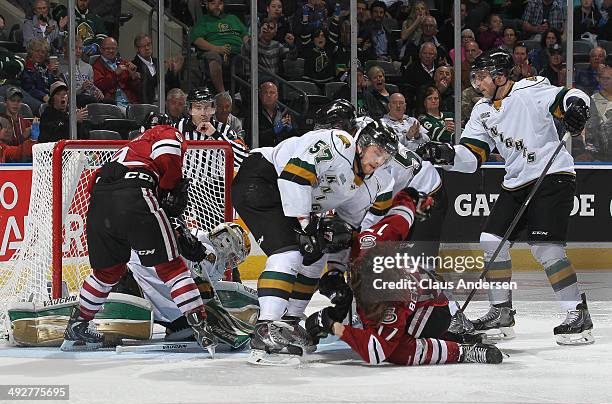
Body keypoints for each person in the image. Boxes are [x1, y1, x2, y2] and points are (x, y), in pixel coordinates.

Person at [416, 48, 594, 345]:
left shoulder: (531, 89)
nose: (478, 83)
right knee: (491, 241)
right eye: (475, 77)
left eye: (483, 76)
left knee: (546, 249)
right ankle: (501, 312)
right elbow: (472, 157)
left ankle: (577, 313)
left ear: (500, 76)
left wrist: (577, 107)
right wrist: (445, 153)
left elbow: (571, 96)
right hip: (516, 182)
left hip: (553, 176)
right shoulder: (481, 111)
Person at [231, 100, 399, 365]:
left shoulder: (369, 186)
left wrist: (334, 272)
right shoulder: (338, 142)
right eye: (376, 152)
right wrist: (306, 226)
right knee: (287, 253)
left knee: (317, 252)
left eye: (385, 158)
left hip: (290, 198)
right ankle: (265, 329)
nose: (378, 161)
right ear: (362, 144)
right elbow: (293, 177)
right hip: (262, 179)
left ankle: (288, 322)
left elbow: (344, 234)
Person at [60, 124, 217, 355]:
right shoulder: (165, 132)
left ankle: (77, 327)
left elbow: (93, 185)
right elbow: (169, 157)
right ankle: (201, 327)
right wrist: (168, 187)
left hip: (98, 204)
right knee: (172, 268)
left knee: (107, 273)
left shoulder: (128, 148)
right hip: (135, 194)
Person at [305, 189, 504, 366]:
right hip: (414, 293)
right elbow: (401, 215)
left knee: (395, 351)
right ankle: (453, 337)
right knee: (371, 328)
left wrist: (334, 326)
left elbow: (376, 352)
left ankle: (461, 351)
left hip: (430, 310)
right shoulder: (371, 239)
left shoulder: (389, 294)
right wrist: (413, 199)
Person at [125, 221, 253, 347]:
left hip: (133, 277)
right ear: (225, 243)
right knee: (195, 318)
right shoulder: (207, 254)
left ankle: (175, 326)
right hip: (137, 286)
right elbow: (204, 295)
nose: (231, 263)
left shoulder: (195, 240)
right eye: (233, 257)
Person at [175, 87, 248, 170]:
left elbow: (243, 159)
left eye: (207, 107)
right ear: (190, 110)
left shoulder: (225, 130)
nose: (203, 113)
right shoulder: (177, 128)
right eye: (198, 108)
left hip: (215, 181)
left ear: (213, 109)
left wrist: (215, 134)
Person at [190, 0, 249, 93]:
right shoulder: (203, 20)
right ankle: (222, 93)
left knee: (251, 55)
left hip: (238, 52)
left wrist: (246, 46)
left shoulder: (233, 18)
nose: (217, 6)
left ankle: (242, 92)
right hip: (214, 51)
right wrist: (216, 48)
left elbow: (245, 35)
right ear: (207, 5)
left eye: (220, 3)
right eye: (213, 3)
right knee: (213, 56)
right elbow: (197, 40)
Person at [131, 34, 182, 105]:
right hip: (145, 105)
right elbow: (146, 86)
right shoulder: (133, 66)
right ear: (137, 49)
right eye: (143, 46)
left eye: (149, 44)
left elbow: (173, 88)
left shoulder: (158, 62)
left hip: (164, 104)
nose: (147, 48)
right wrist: (162, 71)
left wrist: (173, 72)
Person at [93, 37, 141, 109]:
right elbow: (100, 86)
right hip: (112, 103)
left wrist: (133, 76)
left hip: (130, 102)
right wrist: (115, 74)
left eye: (113, 48)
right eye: (107, 48)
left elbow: (136, 89)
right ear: (101, 50)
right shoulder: (96, 65)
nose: (111, 51)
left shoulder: (124, 62)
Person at [57, 36, 105, 107]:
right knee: (90, 101)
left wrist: (97, 92)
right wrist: (81, 89)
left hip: (88, 98)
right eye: (75, 48)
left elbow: (91, 87)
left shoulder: (88, 67)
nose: (78, 51)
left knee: (110, 102)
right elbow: (62, 94)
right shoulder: (58, 68)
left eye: (80, 48)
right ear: (65, 49)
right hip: (72, 100)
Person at [254, 81, 299, 147]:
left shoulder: (285, 111)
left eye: (272, 93)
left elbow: (297, 137)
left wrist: (290, 129)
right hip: (263, 151)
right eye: (265, 92)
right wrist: (274, 130)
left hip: (283, 150)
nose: (268, 95)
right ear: (260, 95)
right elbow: (252, 138)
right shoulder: (254, 112)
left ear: (277, 96)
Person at [20, 39, 59, 114]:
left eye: (43, 52)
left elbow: (50, 85)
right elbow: (29, 88)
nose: (40, 54)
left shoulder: (45, 67)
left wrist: (53, 74)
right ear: (31, 52)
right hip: (33, 97)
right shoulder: (27, 67)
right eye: (37, 51)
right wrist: (43, 96)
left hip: (49, 97)